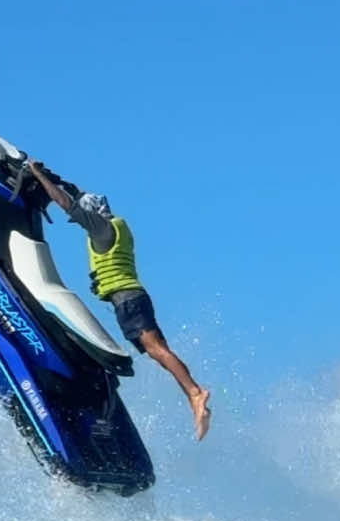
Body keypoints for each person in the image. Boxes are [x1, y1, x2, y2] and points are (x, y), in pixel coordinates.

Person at [25, 160, 212, 441]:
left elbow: (66, 202)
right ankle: (193, 395)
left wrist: (38, 175)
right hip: (133, 299)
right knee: (156, 352)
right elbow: (76, 195)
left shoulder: (100, 228)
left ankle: (195, 394)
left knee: (158, 350)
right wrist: (53, 174)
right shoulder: (115, 225)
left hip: (128, 302)